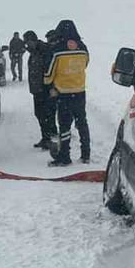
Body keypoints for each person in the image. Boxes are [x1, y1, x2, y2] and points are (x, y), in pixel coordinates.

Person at [45, 19, 91, 166]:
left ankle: (64, 156)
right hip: (80, 92)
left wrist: (49, 83)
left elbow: (49, 73)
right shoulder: (83, 48)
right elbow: (86, 64)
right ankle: (86, 153)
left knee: (64, 125)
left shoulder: (57, 49)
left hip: (63, 93)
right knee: (82, 122)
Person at [24, 30, 56, 150]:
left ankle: (50, 140)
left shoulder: (44, 51)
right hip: (37, 89)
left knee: (46, 115)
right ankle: (46, 138)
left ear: (33, 40)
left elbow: (49, 69)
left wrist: (50, 87)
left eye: (27, 42)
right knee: (39, 114)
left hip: (45, 89)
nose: (26, 45)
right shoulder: (34, 52)